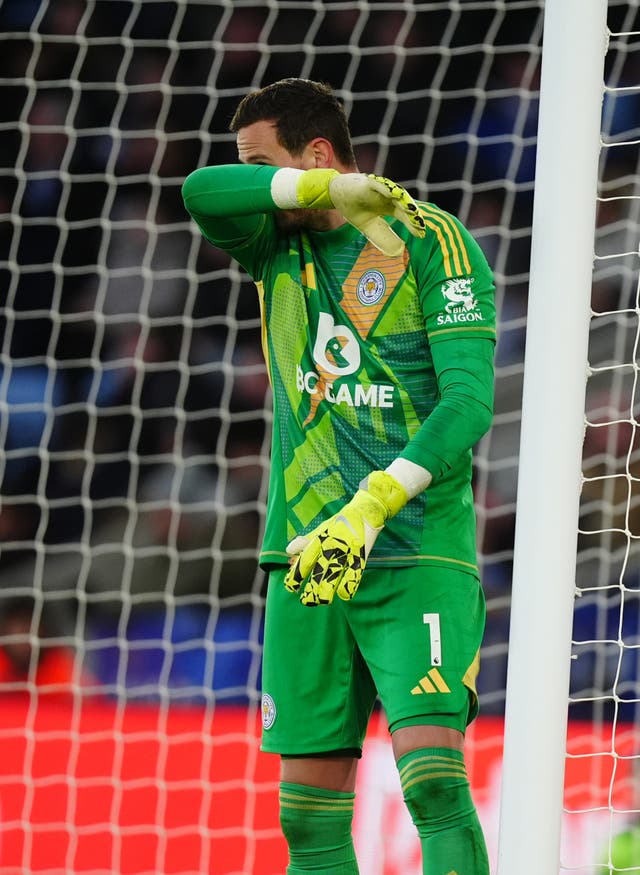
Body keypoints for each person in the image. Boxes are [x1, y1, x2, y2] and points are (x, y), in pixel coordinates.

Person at [182, 78, 495, 875]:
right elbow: (199, 189)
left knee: (431, 784)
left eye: (267, 164)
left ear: (317, 148)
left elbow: (466, 403)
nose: (256, 184)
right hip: (308, 555)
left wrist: (376, 500)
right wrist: (315, 187)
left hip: (412, 546)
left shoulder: (433, 239)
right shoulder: (271, 241)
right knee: (306, 819)